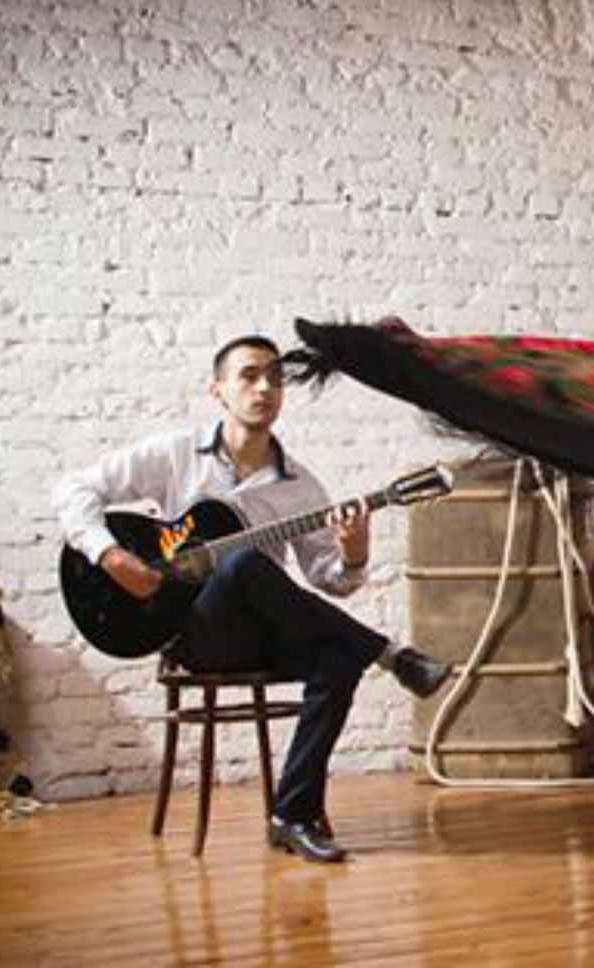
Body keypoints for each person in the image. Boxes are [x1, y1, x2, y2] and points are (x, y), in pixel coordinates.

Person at [52, 334, 452, 864]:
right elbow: (73, 490)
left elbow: (326, 578)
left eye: (275, 377)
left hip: (261, 634)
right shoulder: (174, 454)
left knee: (337, 658)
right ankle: (390, 654)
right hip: (192, 632)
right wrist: (109, 555)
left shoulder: (301, 487)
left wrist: (352, 555)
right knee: (240, 562)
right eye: (249, 375)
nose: (264, 386)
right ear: (218, 390)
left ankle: (293, 814)